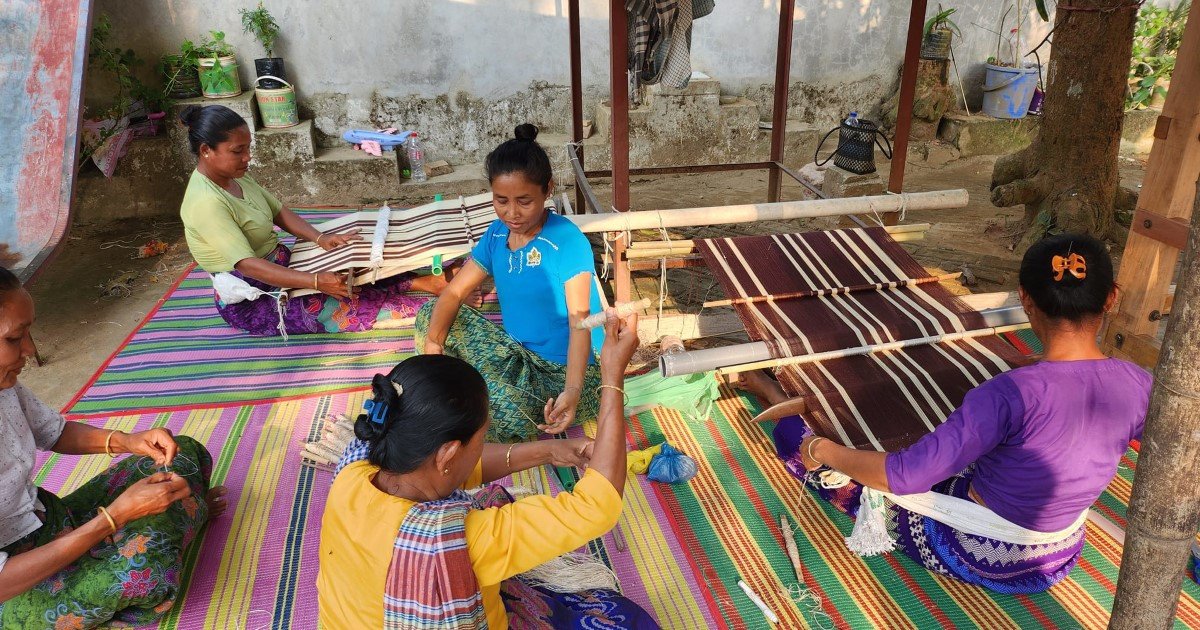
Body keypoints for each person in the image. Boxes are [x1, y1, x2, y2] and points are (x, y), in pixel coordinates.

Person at [763, 234, 1150, 594]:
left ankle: (769, 393)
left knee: (806, 443)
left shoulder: (1007, 393)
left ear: (1025, 298)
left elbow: (906, 476)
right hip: (1059, 552)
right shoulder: (1139, 384)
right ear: (1111, 297)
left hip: (989, 554)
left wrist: (822, 449)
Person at [317, 311, 655, 629]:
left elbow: (461, 468)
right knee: (623, 618)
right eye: (480, 438)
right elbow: (597, 508)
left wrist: (550, 450)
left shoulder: (355, 468)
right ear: (447, 453)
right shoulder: (463, 542)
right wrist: (612, 377)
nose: (481, 447)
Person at [0, 267, 227, 627]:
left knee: (183, 451)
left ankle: (171, 520)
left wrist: (130, 442)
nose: (29, 350)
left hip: (49, 521)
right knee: (147, 573)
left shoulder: (4, 385)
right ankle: (179, 519)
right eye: (15, 338)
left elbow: (55, 432)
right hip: (15, 587)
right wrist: (115, 517)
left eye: (28, 333)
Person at [177, 104, 448, 336]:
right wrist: (315, 281)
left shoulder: (235, 176)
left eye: (248, 148)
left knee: (352, 265)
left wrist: (320, 238)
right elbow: (249, 266)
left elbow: (278, 211)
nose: (247, 157)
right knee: (340, 304)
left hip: (282, 264)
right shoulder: (206, 203)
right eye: (238, 151)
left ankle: (423, 282)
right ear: (206, 151)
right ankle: (441, 306)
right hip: (256, 295)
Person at [415, 123, 605, 442]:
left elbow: (580, 324)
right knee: (430, 316)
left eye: (524, 201)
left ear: (547, 190)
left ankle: (489, 401)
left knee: (499, 413)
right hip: (516, 357)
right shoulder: (497, 234)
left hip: (567, 374)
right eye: (501, 200)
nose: (512, 212)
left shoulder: (566, 242)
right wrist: (434, 347)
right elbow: (455, 292)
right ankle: (473, 393)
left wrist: (572, 391)